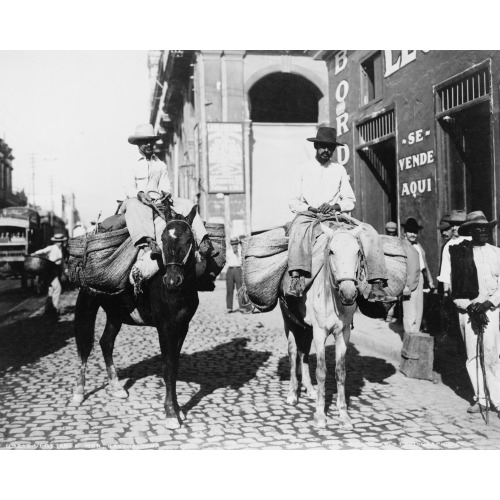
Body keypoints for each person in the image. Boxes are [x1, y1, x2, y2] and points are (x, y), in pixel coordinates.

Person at [287, 126, 394, 302]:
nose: (326, 150)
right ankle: (296, 278)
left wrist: (335, 207)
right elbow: (293, 201)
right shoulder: (303, 169)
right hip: (310, 215)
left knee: (369, 232)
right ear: (316, 147)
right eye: (322, 146)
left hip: (335, 217)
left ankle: (376, 284)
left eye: (330, 147)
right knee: (298, 231)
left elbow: (350, 200)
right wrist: (311, 209)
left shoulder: (339, 170)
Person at [121, 124, 213, 260]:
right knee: (134, 207)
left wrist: (165, 193)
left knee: (187, 204)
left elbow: (165, 185)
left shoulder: (160, 164)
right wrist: (140, 195)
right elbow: (129, 188)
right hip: (138, 200)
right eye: (145, 141)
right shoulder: (131, 164)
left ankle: (203, 240)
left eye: (151, 141)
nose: (149, 144)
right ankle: (149, 242)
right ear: (138, 144)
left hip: (158, 200)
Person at [440, 211, 500, 417]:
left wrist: (487, 304)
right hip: (467, 312)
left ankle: (498, 400)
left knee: (492, 354)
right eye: (478, 228)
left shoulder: (497, 253)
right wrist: (470, 307)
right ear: (470, 232)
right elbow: (453, 290)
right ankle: (481, 399)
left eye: (486, 228)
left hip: (491, 311)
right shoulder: (458, 253)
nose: (483, 231)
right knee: (472, 355)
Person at [400, 217, 434, 333]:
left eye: (415, 232)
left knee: (419, 312)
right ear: (405, 233)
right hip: (409, 283)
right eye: (410, 231)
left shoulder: (418, 245)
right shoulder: (402, 246)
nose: (413, 234)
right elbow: (401, 268)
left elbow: (424, 264)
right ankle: (409, 342)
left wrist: (429, 280)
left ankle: (414, 339)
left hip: (420, 280)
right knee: (410, 314)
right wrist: (404, 285)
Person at [32, 233, 67, 319]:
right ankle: (54, 308)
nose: (60, 243)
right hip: (49, 271)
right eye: (58, 241)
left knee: (51, 290)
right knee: (58, 288)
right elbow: (42, 251)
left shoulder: (61, 250)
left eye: (61, 241)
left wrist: (66, 273)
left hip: (55, 271)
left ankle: (48, 309)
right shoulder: (51, 248)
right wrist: (33, 254)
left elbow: (62, 263)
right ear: (55, 242)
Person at [225, 237, 242, 313]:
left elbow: (242, 262)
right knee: (229, 289)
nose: (234, 246)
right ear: (231, 245)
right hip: (230, 270)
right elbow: (226, 262)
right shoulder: (228, 252)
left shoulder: (241, 251)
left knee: (240, 289)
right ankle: (229, 307)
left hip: (238, 269)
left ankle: (242, 306)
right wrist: (226, 271)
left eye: (236, 244)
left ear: (238, 244)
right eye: (233, 244)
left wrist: (237, 254)